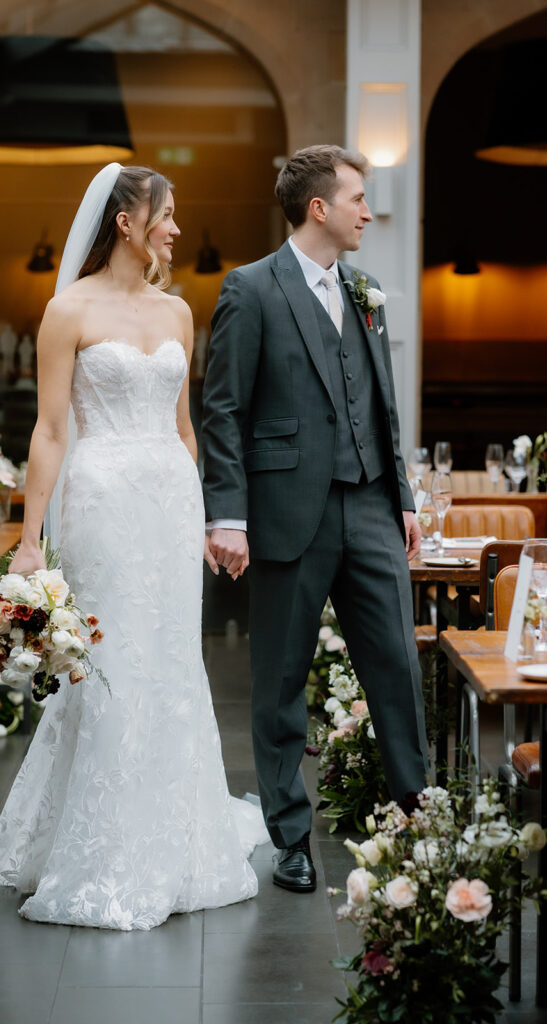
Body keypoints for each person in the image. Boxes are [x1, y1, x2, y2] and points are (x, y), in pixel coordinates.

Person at [0, 163, 268, 930]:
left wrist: (208, 515)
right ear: (126, 223)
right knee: (112, 655)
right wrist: (30, 540)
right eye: (165, 216)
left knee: (167, 654)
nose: (174, 229)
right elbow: (51, 429)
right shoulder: (66, 310)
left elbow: (184, 425)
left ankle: (177, 834)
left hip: (168, 499)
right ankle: (96, 842)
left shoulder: (176, 314)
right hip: (99, 496)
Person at [201, 144, 429, 895]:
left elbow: (383, 404)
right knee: (279, 681)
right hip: (284, 512)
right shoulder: (250, 288)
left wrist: (400, 497)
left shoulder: (364, 289)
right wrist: (226, 515)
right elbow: (224, 409)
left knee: (396, 662)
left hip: (367, 504)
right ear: (319, 208)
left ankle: (414, 811)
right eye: (359, 198)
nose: (369, 211)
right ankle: (289, 837)